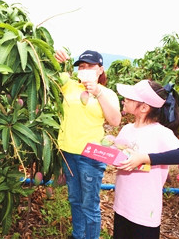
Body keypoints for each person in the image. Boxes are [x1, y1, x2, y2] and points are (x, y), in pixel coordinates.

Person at [113, 79, 179, 239]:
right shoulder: (127, 129)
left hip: (144, 211)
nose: (125, 100)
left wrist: (145, 158)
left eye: (130, 98)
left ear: (144, 107)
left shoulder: (160, 133)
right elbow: (121, 155)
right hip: (122, 205)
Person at [54, 49, 122, 239]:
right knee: (75, 200)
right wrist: (57, 61)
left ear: (100, 69)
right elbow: (48, 78)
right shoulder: (70, 86)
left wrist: (98, 92)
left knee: (89, 204)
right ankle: (78, 236)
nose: (84, 70)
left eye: (89, 66)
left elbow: (115, 120)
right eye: (81, 67)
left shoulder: (107, 93)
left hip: (91, 156)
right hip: (68, 152)